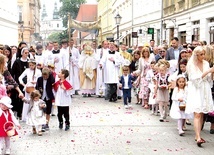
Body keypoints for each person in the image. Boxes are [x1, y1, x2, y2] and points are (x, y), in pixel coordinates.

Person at [186, 46, 214, 147]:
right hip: (196, 90)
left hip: (205, 89)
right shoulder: (191, 64)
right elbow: (194, 79)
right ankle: (198, 137)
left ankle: (198, 134)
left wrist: (211, 73)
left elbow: (209, 80)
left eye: (204, 54)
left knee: (201, 112)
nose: (203, 56)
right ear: (196, 55)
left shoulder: (206, 63)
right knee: (197, 113)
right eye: (201, 54)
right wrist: (207, 71)